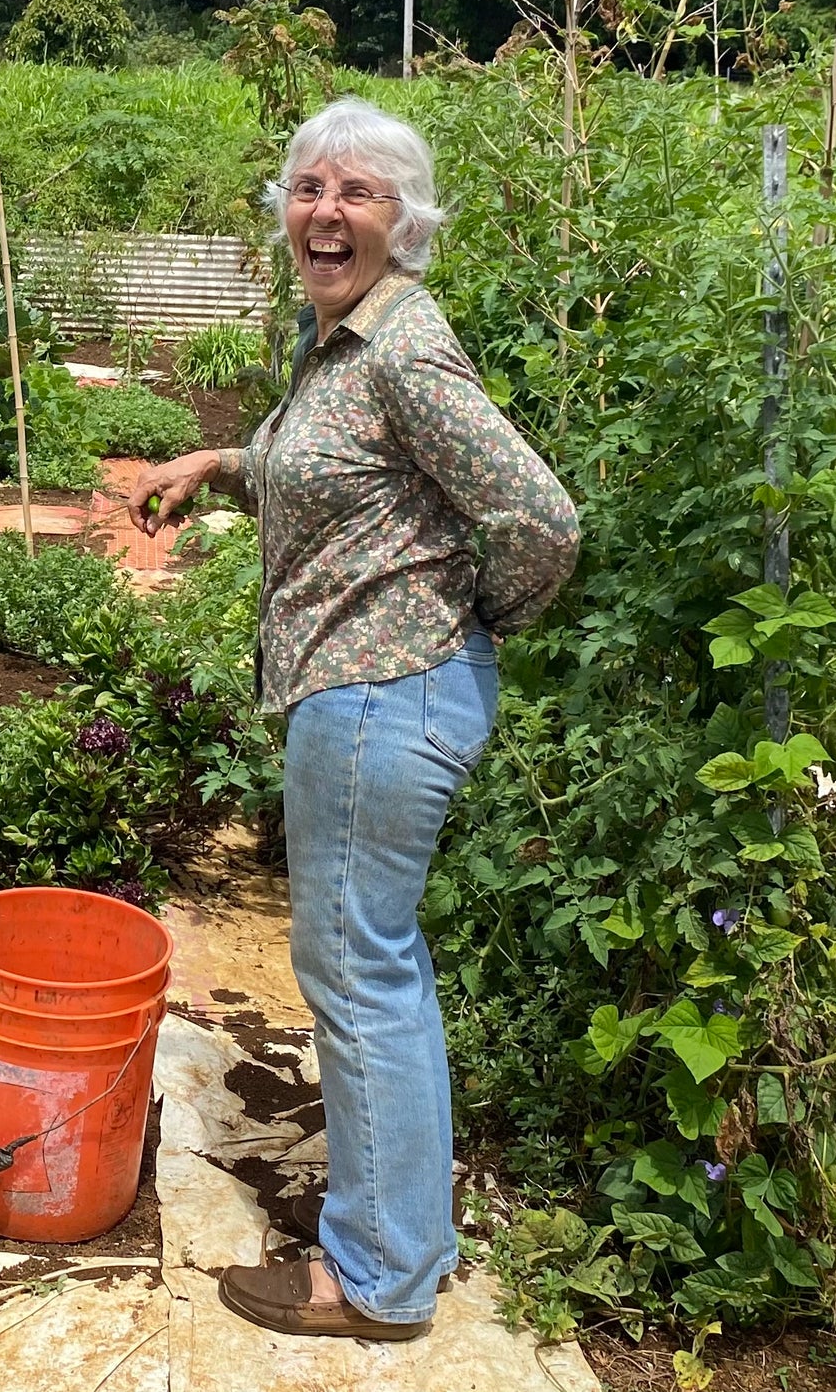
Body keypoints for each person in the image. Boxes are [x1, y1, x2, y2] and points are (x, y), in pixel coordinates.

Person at [127, 96, 579, 1341]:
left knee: (358, 974)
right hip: (370, 687)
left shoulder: (402, 348)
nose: (326, 212)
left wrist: (464, 615)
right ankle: (402, 1240)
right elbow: (318, 449)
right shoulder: (340, 336)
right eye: (309, 188)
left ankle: (375, 1276)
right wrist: (215, 464)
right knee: (377, 964)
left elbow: (542, 516)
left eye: (358, 193)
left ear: (403, 220)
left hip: (385, 692)